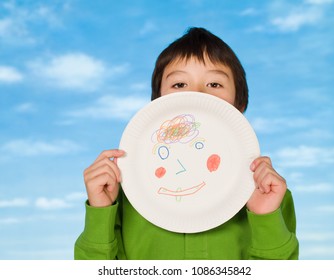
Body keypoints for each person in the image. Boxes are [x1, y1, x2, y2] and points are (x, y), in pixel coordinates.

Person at [74, 27, 299, 260]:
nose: (197, 95)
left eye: (214, 84)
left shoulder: (268, 193)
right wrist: (100, 212)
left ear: (238, 107)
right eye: (179, 85)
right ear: (156, 107)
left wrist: (265, 218)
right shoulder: (125, 192)